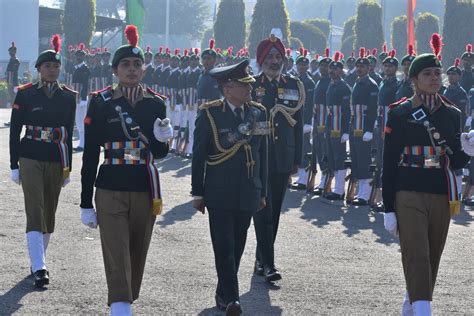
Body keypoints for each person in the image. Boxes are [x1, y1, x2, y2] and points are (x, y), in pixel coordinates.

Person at [79, 25, 172, 315]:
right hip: (110, 186)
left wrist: (162, 140)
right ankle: (121, 310)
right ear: (115, 71)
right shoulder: (101, 101)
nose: (131, 69)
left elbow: (158, 154)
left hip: (144, 187)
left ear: (144, 69)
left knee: (136, 252)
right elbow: (92, 153)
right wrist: (85, 201)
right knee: (116, 252)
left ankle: (123, 302)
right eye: (125, 65)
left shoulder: (157, 103)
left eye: (136, 64)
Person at [382, 33, 472, 316]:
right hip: (408, 189)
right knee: (417, 252)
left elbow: (454, 160)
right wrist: (388, 207)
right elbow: (389, 161)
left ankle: (412, 300)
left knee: (432, 255)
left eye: (437, 73)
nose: (434, 78)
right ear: (414, 80)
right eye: (427, 74)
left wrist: (468, 151)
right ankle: (424, 311)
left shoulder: (452, 113)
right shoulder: (400, 113)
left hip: (440, 192)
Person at [191, 59, 268, 316]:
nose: (249, 90)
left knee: (238, 241)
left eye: (249, 85)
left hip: (248, 190)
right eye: (243, 86)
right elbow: (199, 155)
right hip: (219, 191)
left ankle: (224, 290)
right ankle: (233, 298)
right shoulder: (210, 113)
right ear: (227, 89)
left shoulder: (258, 112)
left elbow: (263, 155)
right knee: (223, 244)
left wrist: (263, 191)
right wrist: (198, 192)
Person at [9, 35, 76, 288]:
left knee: (49, 211)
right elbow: (15, 131)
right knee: (34, 207)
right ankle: (39, 266)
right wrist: (14, 164)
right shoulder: (26, 95)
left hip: (55, 157)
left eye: (56, 66)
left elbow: (68, 133)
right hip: (30, 154)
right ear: (38, 69)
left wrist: (68, 166)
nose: (52, 70)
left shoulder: (68, 97)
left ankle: (39, 259)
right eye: (48, 66)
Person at [251, 34, 304, 282]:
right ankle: (269, 264)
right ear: (261, 60)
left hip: (283, 155)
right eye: (270, 57)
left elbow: (298, 124)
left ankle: (262, 258)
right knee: (262, 207)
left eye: (278, 56)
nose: (275, 61)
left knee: (274, 212)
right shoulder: (251, 85)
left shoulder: (294, 85)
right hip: (259, 158)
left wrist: (297, 158)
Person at [349, 48, 379, 205]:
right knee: (355, 157)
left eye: (362, 66)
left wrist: (369, 130)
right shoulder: (357, 82)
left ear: (369, 68)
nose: (359, 68)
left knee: (364, 160)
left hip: (364, 127)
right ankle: (359, 192)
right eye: (357, 66)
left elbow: (373, 109)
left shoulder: (371, 84)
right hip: (355, 125)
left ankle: (365, 194)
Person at [372, 50, 399, 210]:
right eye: (386, 65)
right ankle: (381, 196)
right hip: (380, 124)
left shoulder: (396, 85)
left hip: (388, 127)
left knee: (388, 163)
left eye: (390, 66)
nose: (387, 68)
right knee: (380, 162)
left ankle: (389, 198)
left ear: (396, 68)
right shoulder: (383, 83)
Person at [322, 52, 352, 200]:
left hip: (339, 128)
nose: (332, 71)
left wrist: (346, 131)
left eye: (335, 69)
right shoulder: (330, 85)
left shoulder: (344, 87)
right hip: (330, 126)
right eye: (331, 69)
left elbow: (347, 111)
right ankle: (335, 188)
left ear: (341, 71)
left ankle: (339, 191)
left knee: (339, 157)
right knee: (332, 157)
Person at [443, 58, 470, 195]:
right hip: (443, 130)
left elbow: (463, 115)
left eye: (454, 74)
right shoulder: (445, 91)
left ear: (459, 76)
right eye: (449, 74)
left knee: (456, 163)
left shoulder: (461, 93)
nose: (451, 77)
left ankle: (458, 191)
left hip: (456, 131)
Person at [291, 48, 314, 190]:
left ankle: (304, 179)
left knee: (304, 149)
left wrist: (307, 122)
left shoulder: (309, 82)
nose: (302, 67)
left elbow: (310, 103)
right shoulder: (294, 80)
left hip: (304, 119)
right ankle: (299, 177)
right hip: (294, 119)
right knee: (296, 149)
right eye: (299, 64)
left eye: (304, 65)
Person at [311, 48, 332, 195]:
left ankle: (326, 180)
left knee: (326, 150)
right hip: (317, 118)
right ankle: (323, 178)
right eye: (322, 65)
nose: (323, 68)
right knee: (318, 148)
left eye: (326, 66)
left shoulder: (331, 82)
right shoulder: (320, 81)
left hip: (326, 119)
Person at [72, 43, 90, 152]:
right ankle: (82, 142)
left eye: (80, 56)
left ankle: (83, 144)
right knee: (78, 121)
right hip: (77, 97)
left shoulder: (84, 69)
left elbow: (85, 84)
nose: (78, 58)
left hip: (81, 98)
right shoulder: (77, 68)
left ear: (83, 57)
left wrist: (83, 98)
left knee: (81, 121)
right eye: (77, 56)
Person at [183, 48, 201, 158]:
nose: (193, 62)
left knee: (193, 127)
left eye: (195, 60)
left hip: (194, 102)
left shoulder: (199, 72)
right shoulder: (187, 72)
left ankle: (192, 150)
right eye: (192, 60)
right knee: (188, 127)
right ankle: (189, 149)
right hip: (187, 101)